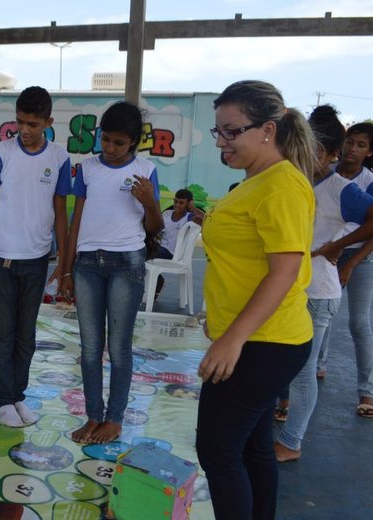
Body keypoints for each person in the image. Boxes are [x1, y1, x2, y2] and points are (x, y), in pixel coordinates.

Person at [195, 80, 316, 520]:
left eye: (232, 132)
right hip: (257, 338)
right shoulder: (258, 180)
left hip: (263, 343)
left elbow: (284, 273)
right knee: (252, 448)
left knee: (218, 451)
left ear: (267, 130)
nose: (222, 143)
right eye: (218, 132)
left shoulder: (280, 186)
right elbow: (247, 264)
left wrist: (233, 339)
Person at [58, 101, 163, 444]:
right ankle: (93, 416)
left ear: (133, 142)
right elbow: (76, 222)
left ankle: (114, 419)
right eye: (106, 140)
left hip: (127, 263)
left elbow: (154, 228)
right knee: (90, 347)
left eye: (119, 143)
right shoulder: (87, 169)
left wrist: (149, 201)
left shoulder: (146, 170)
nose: (111, 149)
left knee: (118, 348)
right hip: (87, 265)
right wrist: (67, 268)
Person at [0, 86, 72, 428]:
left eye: (32, 124)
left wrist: (64, 264)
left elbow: (60, 213)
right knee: (3, 332)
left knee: (26, 334)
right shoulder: (2, 152)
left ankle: (19, 397)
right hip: (1, 257)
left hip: (37, 258)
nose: (24, 130)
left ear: (48, 122)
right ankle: (3, 401)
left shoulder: (58, 158)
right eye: (19, 122)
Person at [274, 105, 373, 462]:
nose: (308, 154)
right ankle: (283, 410)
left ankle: (291, 441)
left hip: (318, 292)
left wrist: (338, 247)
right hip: (291, 288)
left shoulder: (340, 189)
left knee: (303, 371)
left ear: (332, 155)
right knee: (281, 361)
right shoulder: (293, 180)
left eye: (318, 150)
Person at [318, 122, 373, 418]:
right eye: (350, 142)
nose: (353, 149)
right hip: (327, 255)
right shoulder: (328, 173)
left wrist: (350, 261)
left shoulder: (368, 181)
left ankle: (367, 390)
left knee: (358, 324)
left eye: (361, 145)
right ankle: (317, 367)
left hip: (360, 258)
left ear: (369, 152)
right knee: (322, 314)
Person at [153, 188, 204, 299]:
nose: (177, 205)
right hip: (161, 248)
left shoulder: (189, 217)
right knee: (139, 251)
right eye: (175, 201)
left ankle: (158, 281)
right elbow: (157, 229)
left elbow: (206, 221)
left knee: (142, 255)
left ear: (188, 204)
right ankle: (157, 280)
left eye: (181, 203)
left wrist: (193, 208)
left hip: (174, 253)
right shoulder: (166, 213)